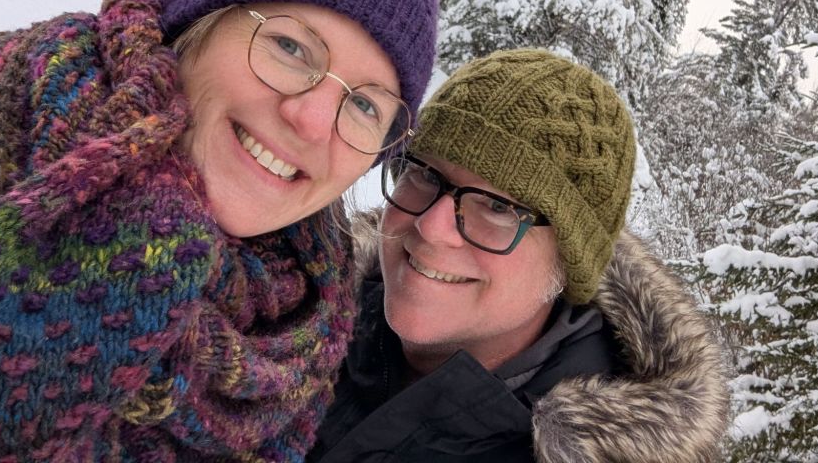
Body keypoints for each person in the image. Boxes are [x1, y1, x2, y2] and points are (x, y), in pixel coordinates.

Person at [0, 0, 439, 461]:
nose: (313, 120)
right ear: (197, 28)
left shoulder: (303, 326)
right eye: (291, 46)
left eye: (366, 106)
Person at [308, 49, 730, 463]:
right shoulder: (290, 320)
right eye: (425, 174)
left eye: (498, 207)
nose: (432, 227)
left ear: (569, 262)